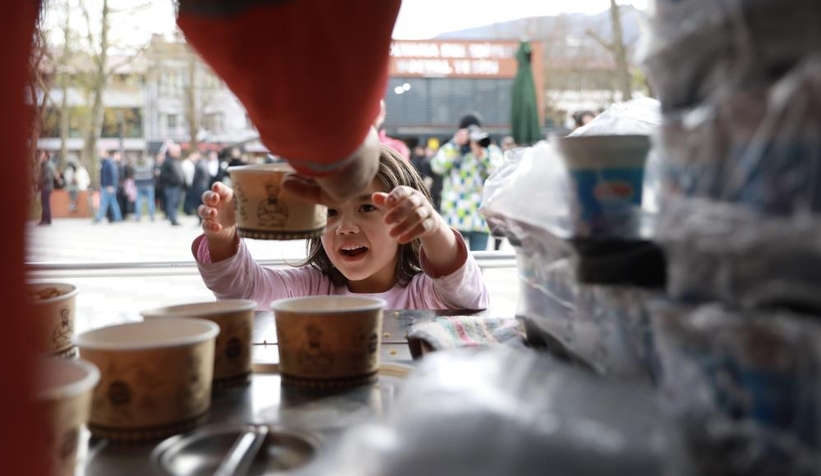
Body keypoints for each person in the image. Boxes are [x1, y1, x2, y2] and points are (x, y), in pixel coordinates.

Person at [193, 146, 489, 311]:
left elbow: (465, 292)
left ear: (408, 218)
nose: (345, 228)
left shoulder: (426, 294)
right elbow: (242, 291)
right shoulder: (309, 289)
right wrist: (221, 235)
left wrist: (433, 227)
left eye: (367, 207)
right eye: (331, 211)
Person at [432, 116, 503, 251]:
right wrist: (455, 144)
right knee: (454, 264)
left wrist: (482, 153)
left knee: (478, 264)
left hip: (479, 217)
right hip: (454, 217)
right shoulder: (452, 148)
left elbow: (498, 171)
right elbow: (436, 166)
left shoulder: (489, 149)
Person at [93, 150, 123, 224]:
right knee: (113, 202)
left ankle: (99, 218)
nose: (100, 154)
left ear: (106, 153)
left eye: (101, 152)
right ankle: (118, 217)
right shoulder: (106, 162)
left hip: (107, 186)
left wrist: (111, 185)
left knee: (104, 202)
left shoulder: (109, 163)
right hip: (107, 186)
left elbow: (113, 175)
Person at [159, 144, 185, 226]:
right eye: (177, 151)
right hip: (170, 186)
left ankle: (174, 217)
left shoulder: (176, 161)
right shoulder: (167, 161)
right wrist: (172, 180)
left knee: (175, 203)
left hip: (177, 186)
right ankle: (173, 219)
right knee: (171, 203)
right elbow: (163, 175)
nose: (178, 153)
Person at [132, 154, 156, 221]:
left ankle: (138, 216)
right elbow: (153, 166)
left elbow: (134, 172)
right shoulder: (149, 165)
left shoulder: (136, 166)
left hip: (139, 185)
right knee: (150, 201)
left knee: (138, 201)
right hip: (148, 184)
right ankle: (151, 216)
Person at [36, 151, 55, 226]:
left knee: (45, 203)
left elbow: (47, 177)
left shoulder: (47, 166)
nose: (41, 157)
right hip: (46, 187)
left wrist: (39, 182)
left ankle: (45, 220)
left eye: (42, 156)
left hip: (46, 187)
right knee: (45, 203)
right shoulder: (46, 165)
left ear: (46, 157)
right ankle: (47, 219)